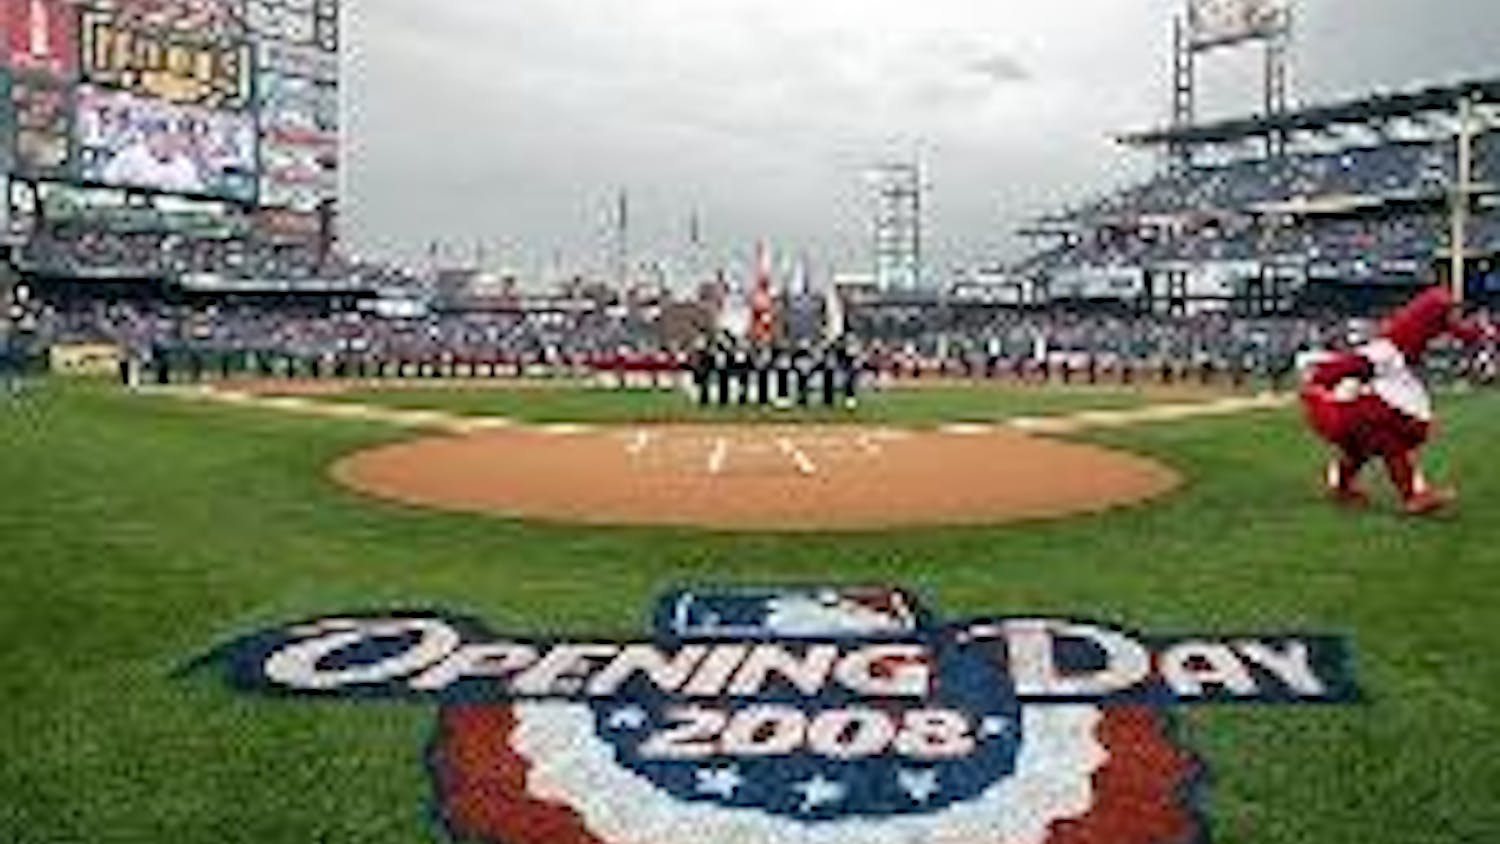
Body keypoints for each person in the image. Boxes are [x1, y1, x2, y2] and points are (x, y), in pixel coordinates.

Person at [1300, 285, 1493, 516]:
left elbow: (1454, 328)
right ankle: (1412, 495)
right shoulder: (1387, 350)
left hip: (1362, 405)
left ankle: (1342, 487)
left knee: (1359, 450)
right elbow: (1350, 364)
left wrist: (1480, 334)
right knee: (1391, 443)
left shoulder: (1400, 349)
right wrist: (1321, 381)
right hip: (1360, 407)